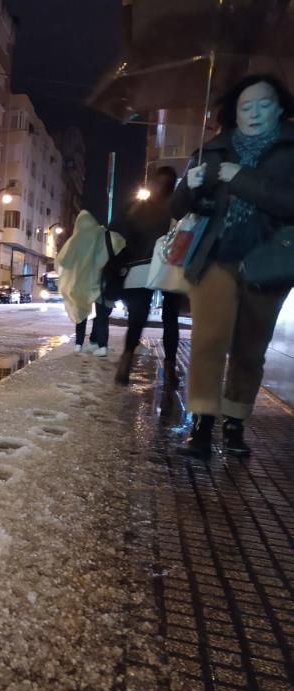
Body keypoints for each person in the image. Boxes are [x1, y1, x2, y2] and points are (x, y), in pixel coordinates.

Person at [172, 74, 294, 458]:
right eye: (246, 106)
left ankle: (235, 422)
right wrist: (187, 187)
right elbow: (178, 211)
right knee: (209, 341)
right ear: (234, 112)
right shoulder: (214, 149)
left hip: (269, 261)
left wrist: (241, 178)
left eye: (263, 104)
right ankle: (202, 423)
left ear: (279, 108)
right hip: (216, 258)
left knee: (250, 348)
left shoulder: (290, 150)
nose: (254, 113)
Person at [111, 167, 182, 386]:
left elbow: (123, 237)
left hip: (139, 266)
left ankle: (125, 364)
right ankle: (170, 370)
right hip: (171, 266)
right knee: (171, 319)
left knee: (137, 319)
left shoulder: (138, 209)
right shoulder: (179, 208)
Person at [56, 209, 126, 358]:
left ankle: (78, 344)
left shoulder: (74, 241)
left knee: (81, 313)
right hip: (103, 282)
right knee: (102, 316)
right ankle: (100, 345)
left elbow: (62, 261)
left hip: (81, 284)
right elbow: (121, 246)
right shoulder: (105, 235)